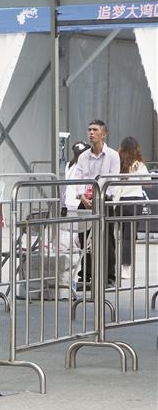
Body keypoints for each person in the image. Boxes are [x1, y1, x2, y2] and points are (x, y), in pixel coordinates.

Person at [71, 119, 120, 288]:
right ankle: (85, 276)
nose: (91, 133)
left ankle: (108, 277)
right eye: (89, 130)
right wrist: (82, 197)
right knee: (84, 240)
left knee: (107, 240)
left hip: (104, 202)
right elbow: (78, 178)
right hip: (85, 202)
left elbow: (114, 180)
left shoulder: (113, 155)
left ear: (104, 134)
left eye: (95, 130)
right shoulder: (83, 156)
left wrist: (101, 197)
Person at [113, 137, 150, 280]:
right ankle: (126, 268)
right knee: (129, 237)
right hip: (134, 202)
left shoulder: (118, 163)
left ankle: (117, 267)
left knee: (120, 236)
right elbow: (147, 182)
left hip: (119, 203)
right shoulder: (138, 164)